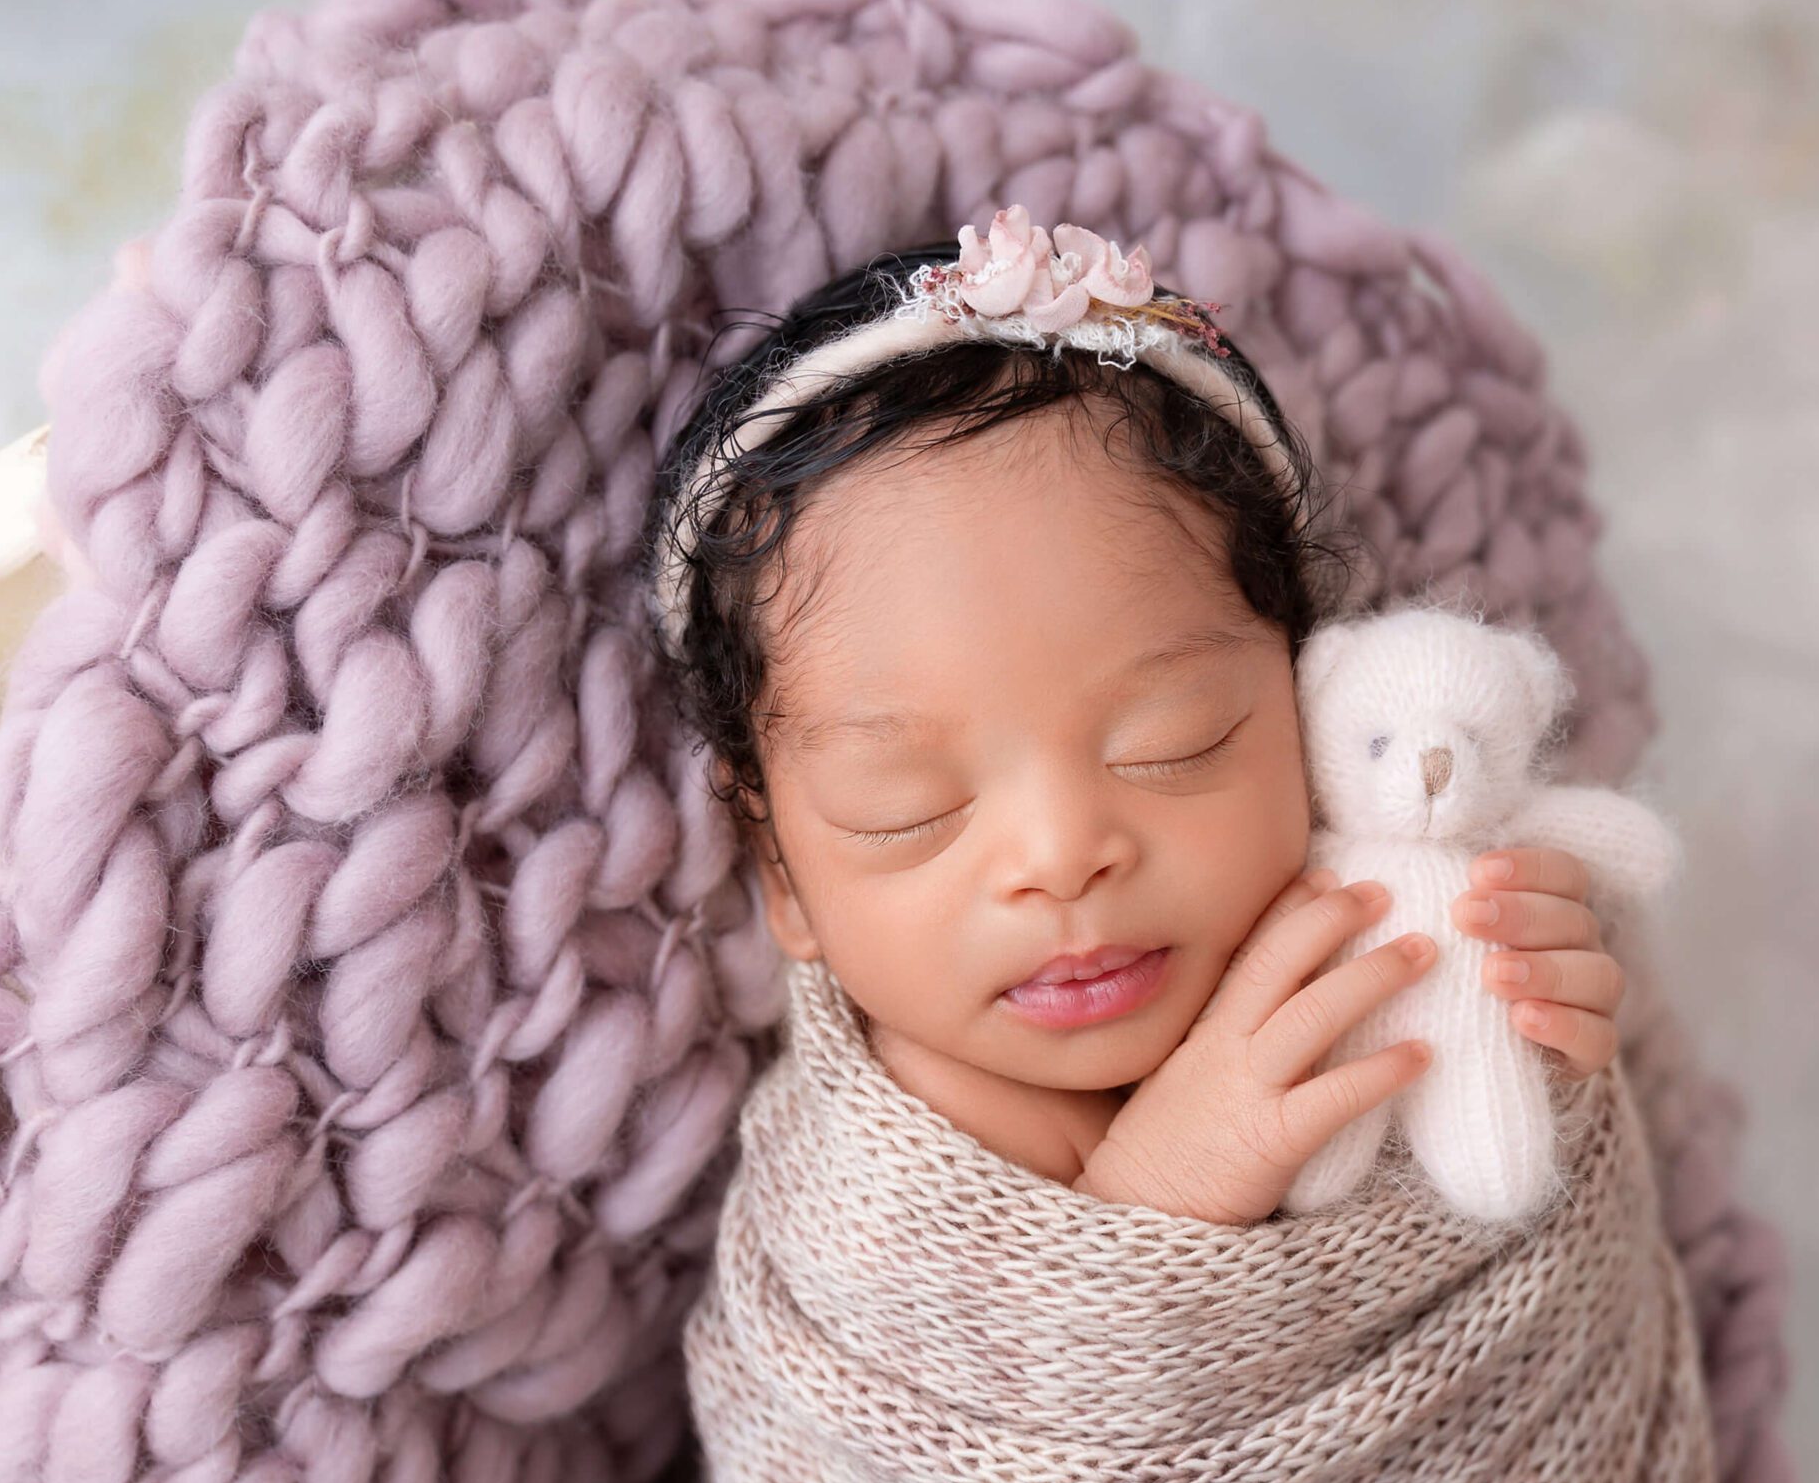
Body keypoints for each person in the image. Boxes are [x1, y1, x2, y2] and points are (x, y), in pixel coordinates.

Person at [648, 205, 1630, 1227]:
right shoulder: (913, 1136)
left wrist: (1526, 1027)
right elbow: (963, 1381)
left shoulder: (1380, 921)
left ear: (1301, 705)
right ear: (781, 875)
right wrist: (1160, 1203)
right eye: (908, 808)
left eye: (1175, 742)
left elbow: (1543, 1247)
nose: (1065, 856)